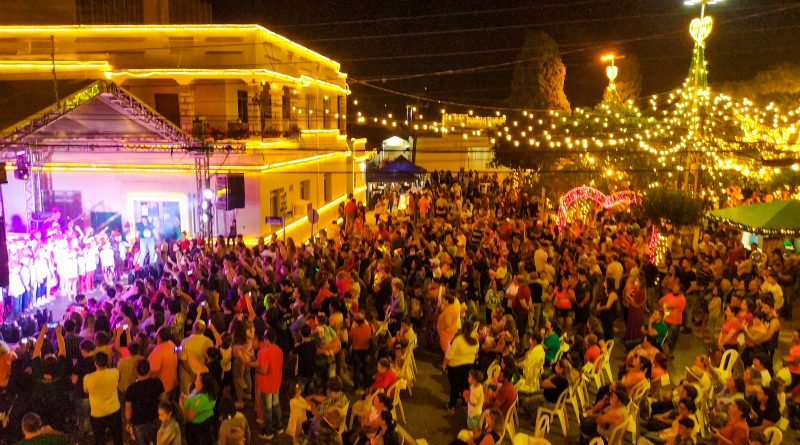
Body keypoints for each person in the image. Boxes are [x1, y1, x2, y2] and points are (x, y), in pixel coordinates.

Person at [83, 352, 122, 445]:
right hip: (114, 409)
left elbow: (86, 391)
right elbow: (118, 381)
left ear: (95, 363)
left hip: (97, 412)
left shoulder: (88, 378)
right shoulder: (115, 372)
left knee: (99, 438)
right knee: (117, 436)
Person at [125, 359, 164, 445]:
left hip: (138, 423)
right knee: (157, 441)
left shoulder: (131, 389)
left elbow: (128, 409)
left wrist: (128, 423)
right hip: (155, 418)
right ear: (149, 370)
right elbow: (163, 399)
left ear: (136, 371)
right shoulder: (157, 382)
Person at [444, 321, 480, 410]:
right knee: (465, 385)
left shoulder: (458, 340)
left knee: (454, 386)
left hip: (455, 367)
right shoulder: (475, 341)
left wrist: (445, 364)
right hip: (469, 365)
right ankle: (465, 403)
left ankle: (452, 404)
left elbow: (449, 356)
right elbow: (476, 354)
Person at [255, 329, 284, 439]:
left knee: (267, 408)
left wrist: (257, 369)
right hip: (277, 381)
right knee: (276, 404)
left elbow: (264, 370)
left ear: (267, 340)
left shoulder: (266, 352)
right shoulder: (279, 350)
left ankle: (268, 432)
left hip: (267, 384)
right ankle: (279, 427)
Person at [181, 372, 218, 445]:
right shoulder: (210, 394)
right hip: (206, 426)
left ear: (203, 384)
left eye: (197, 380)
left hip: (196, 430)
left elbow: (189, 417)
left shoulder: (202, 399)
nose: (195, 382)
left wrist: (181, 404)